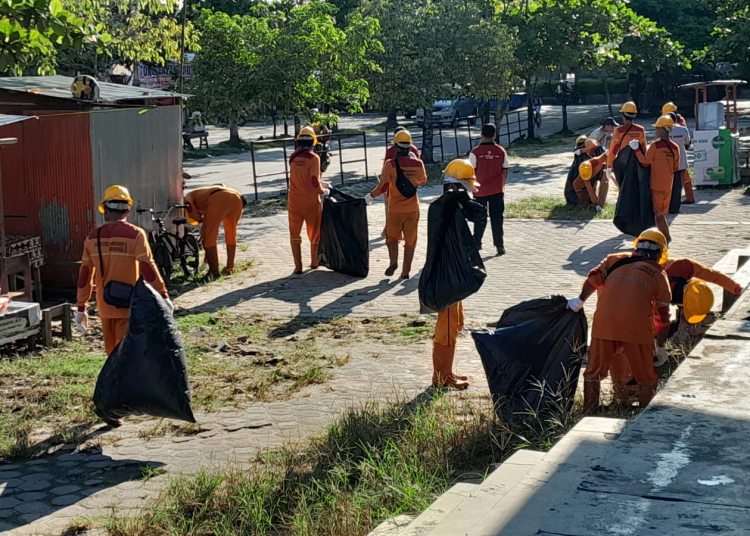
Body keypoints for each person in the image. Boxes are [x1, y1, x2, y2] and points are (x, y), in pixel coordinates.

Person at [567, 228, 671, 412]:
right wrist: (660, 342)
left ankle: (589, 412)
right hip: (636, 329)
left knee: (593, 373)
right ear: (660, 253)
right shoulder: (658, 275)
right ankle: (645, 417)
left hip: (604, 324)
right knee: (646, 377)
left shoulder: (614, 259)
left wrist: (580, 300)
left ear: (636, 247)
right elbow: (662, 314)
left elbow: (593, 277)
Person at [75, 186, 171, 357]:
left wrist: (82, 306)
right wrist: (163, 294)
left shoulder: (91, 238)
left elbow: (85, 275)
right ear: (128, 211)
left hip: (104, 304)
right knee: (128, 354)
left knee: (111, 354)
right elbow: (147, 267)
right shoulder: (136, 234)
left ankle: (115, 382)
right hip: (129, 304)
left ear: (104, 210)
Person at [431, 159, 485, 389]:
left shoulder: (445, 206)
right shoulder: (446, 209)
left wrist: (459, 199)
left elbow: (477, 214)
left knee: (455, 324)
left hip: (450, 275)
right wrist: (459, 199)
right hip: (448, 278)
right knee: (447, 329)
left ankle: (446, 373)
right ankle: (442, 379)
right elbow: (479, 214)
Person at [365, 130, 427, 279]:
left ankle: (393, 262)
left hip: (394, 210)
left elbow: (383, 187)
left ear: (396, 147)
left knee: (391, 238)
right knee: (410, 241)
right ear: (410, 147)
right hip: (412, 209)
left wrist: (369, 197)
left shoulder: (389, 164)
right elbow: (422, 181)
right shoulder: (418, 164)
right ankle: (405, 273)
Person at [629, 115, 680, 242]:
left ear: (663, 130)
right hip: (668, 185)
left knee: (658, 214)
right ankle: (658, 236)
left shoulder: (655, 146)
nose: (656, 131)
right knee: (662, 212)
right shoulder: (675, 147)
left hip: (656, 185)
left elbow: (645, 162)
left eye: (657, 128)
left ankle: (666, 237)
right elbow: (675, 167)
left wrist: (636, 150)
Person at [287, 126, 330, 274]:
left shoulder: (292, 157)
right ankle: (314, 262)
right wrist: (322, 190)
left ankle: (298, 266)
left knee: (294, 234)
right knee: (314, 232)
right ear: (313, 142)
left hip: (294, 201)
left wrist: (320, 182)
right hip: (311, 201)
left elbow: (302, 177)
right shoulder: (314, 158)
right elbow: (312, 180)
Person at [185, 185, 246, 277]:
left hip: (218, 199)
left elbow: (190, 207)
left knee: (209, 237)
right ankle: (230, 267)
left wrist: (198, 218)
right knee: (231, 234)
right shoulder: (201, 193)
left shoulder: (188, 196)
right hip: (237, 198)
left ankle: (214, 272)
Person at [469, 123, 509, 255]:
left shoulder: (475, 152)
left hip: (479, 190)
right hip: (497, 190)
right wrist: (502, 184)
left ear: (481, 135)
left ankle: (477, 243)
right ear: (494, 136)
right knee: (497, 218)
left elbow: (470, 171)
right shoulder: (501, 151)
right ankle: (499, 245)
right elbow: (505, 170)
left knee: (479, 218)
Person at [382, 127, 420, 237]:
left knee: (390, 207)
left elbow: (386, 168)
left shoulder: (391, 151)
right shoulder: (414, 149)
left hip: (394, 186)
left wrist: (384, 186)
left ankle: (391, 230)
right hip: (410, 186)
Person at [607, 102, 647, 185]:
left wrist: (609, 165)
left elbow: (613, 150)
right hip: (637, 163)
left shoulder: (619, 131)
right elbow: (644, 149)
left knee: (624, 188)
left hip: (624, 164)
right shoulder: (641, 130)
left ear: (623, 116)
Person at [666, 111, 694, 211]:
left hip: (667, 162)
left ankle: (667, 205)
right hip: (681, 162)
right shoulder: (683, 130)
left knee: (667, 185)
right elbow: (687, 143)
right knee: (678, 185)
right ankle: (675, 207)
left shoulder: (664, 131)